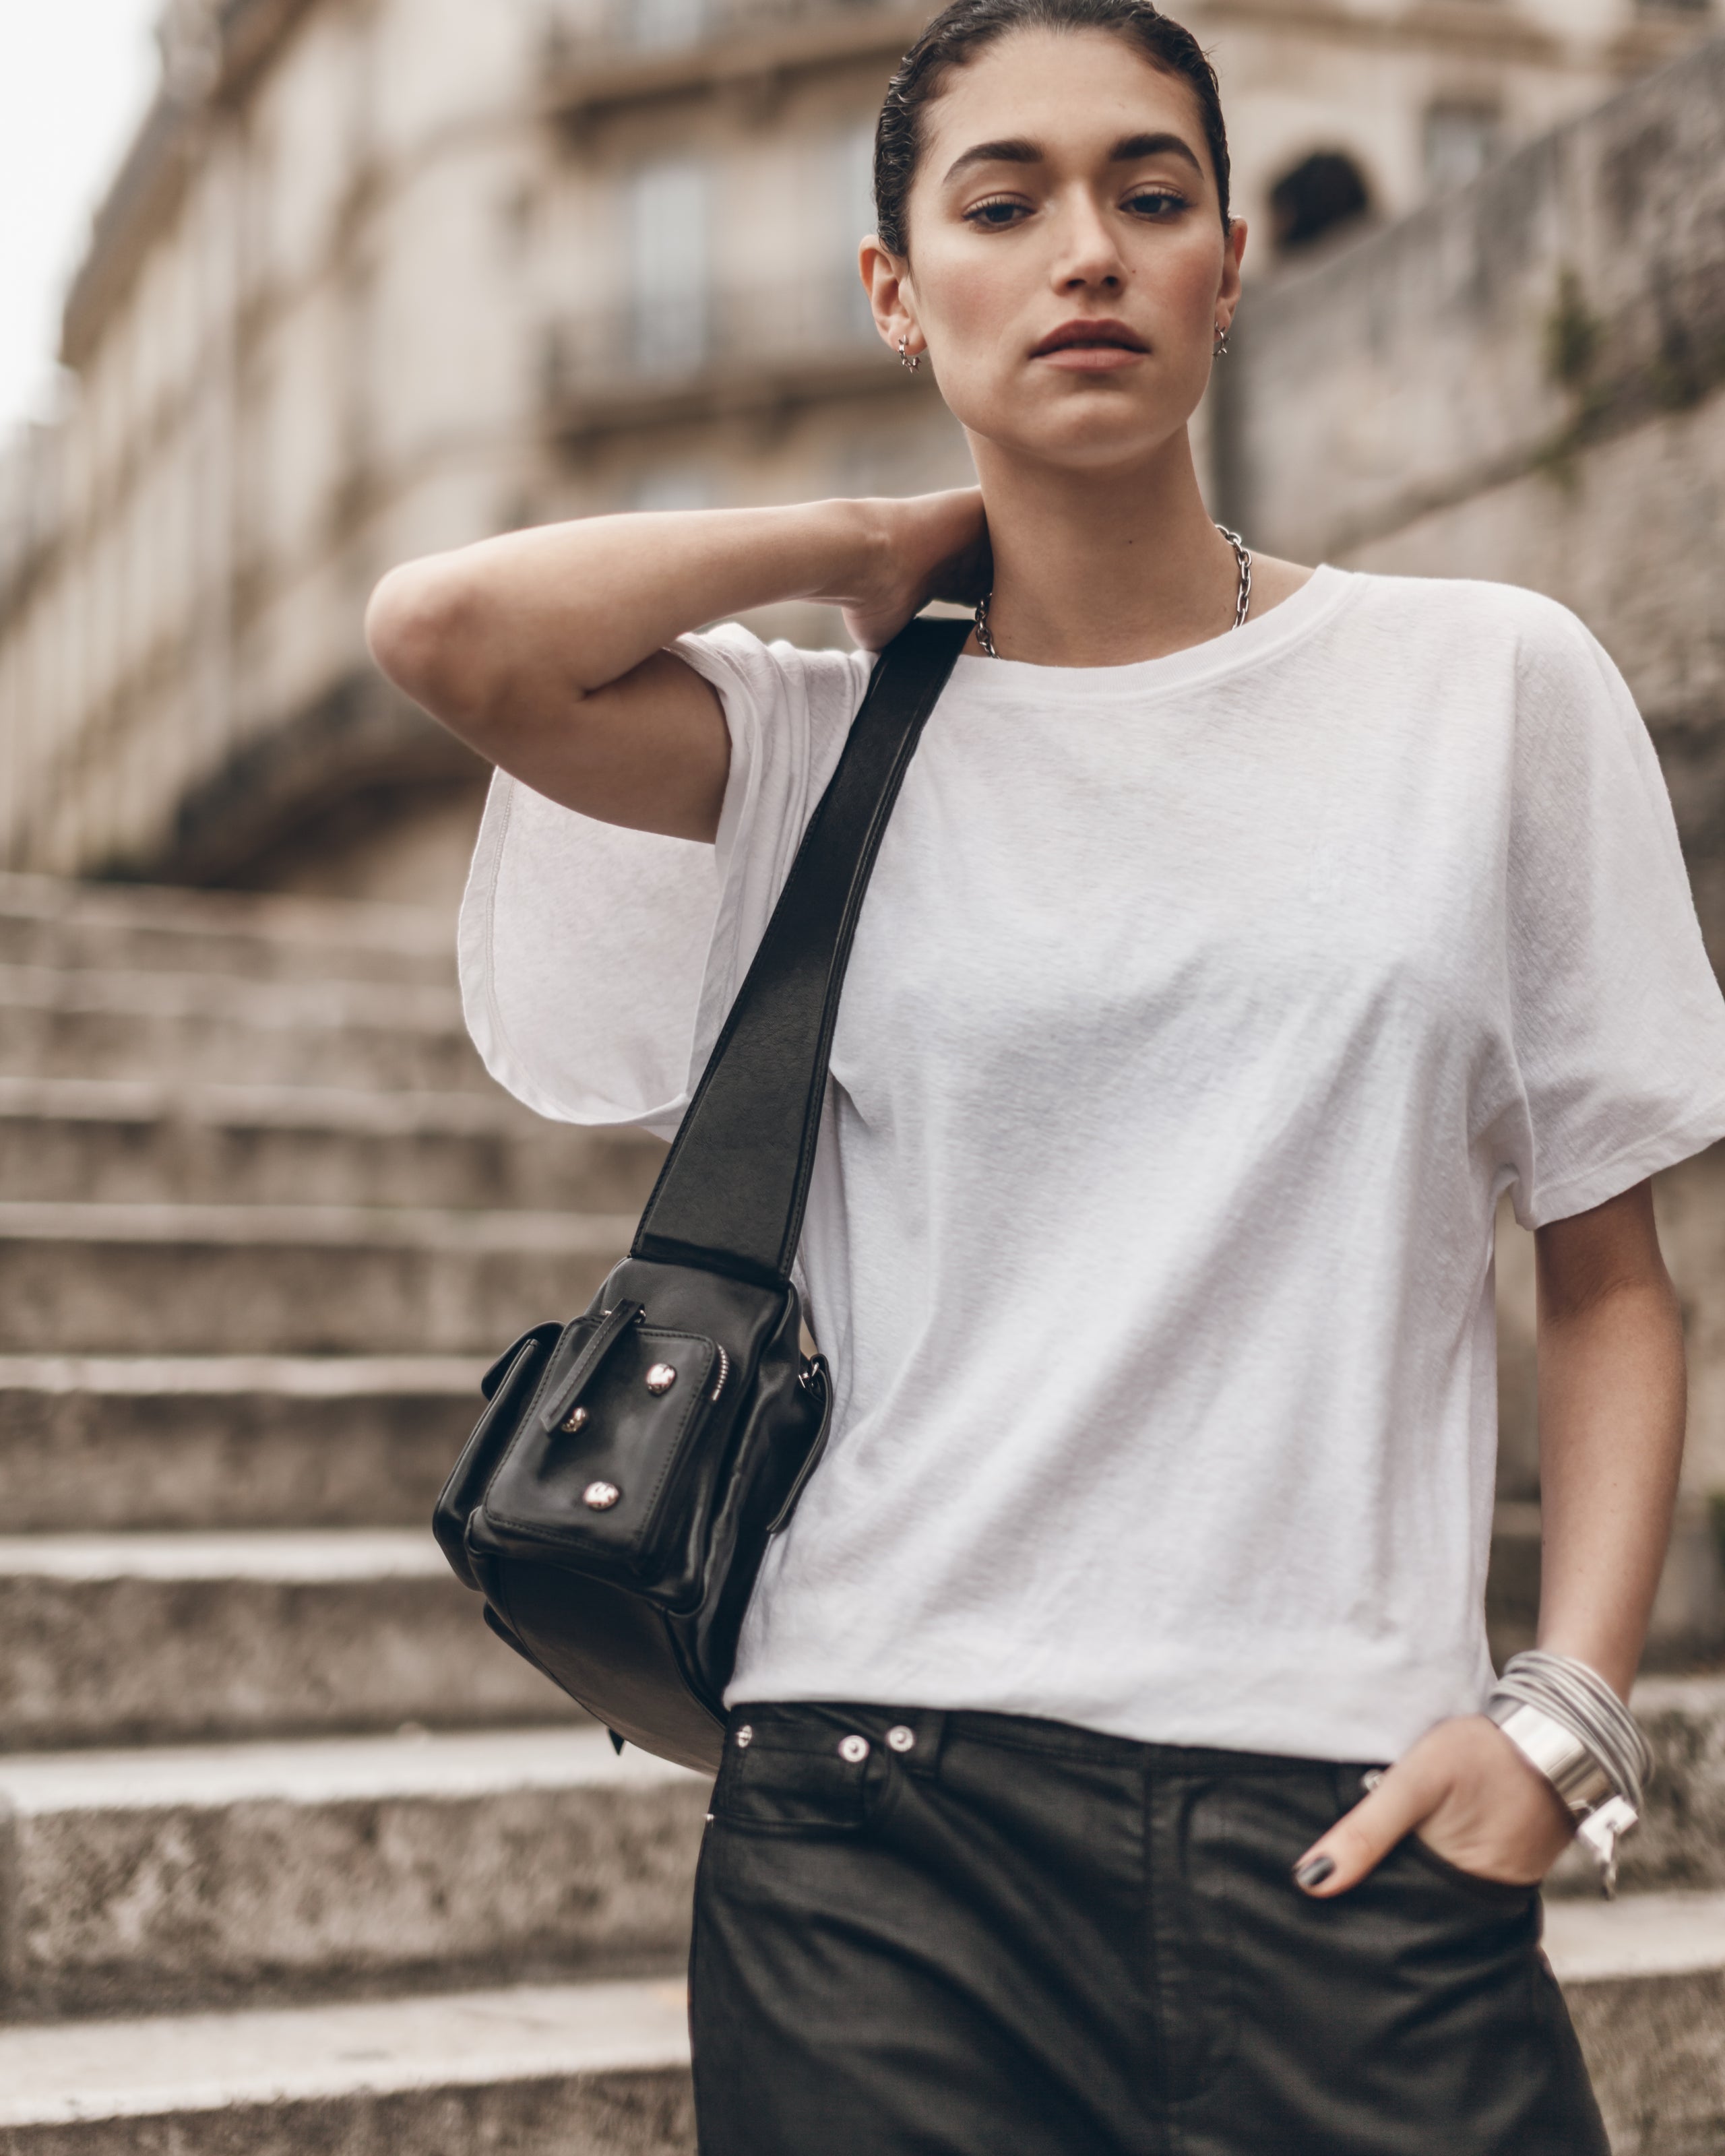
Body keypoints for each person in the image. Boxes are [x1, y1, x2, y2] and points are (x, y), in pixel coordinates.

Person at [365, 1, 1725, 2146]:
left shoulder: (1487, 689)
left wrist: (1567, 1719)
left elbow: (1614, 1266)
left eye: (1149, 194)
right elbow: (449, 635)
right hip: (877, 1832)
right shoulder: (819, 743)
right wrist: (852, 539)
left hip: (1354, 1814)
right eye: (1003, 205)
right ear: (898, 295)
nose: (1088, 249)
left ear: (1228, 265)